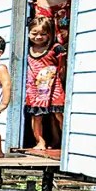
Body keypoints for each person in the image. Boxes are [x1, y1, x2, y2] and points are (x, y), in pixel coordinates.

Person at [25, 16, 66, 150]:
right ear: (28, 33)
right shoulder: (27, 48)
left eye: (43, 34)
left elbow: (62, 66)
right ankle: (40, 141)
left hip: (53, 86)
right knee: (36, 116)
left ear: (49, 34)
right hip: (35, 88)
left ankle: (64, 140)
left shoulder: (55, 48)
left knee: (58, 114)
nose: (38, 37)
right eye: (34, 33)